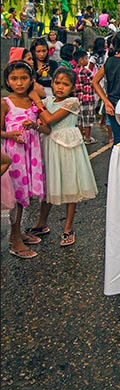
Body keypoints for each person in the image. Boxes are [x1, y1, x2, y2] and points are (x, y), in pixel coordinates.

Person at [27, 67, 98, 246]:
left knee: (70, 184)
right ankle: (41, 223)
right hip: (49, 145)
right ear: (52, 83)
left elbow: (50, 119)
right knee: (49, 185)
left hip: (68, 147)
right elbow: (45, 125)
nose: (60, 87)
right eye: (57, 83)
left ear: (72, 88)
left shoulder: (72, 102)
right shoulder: (48, 100)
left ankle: (68, 227)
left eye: (65, 84)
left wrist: (36, 101)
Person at [1, 61, 50, 258]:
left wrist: (35, 125)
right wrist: (10, 135)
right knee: (16, 196)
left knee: (24, 195)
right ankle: (15, 238)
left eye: (23, 78)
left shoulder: (33, 103)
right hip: (14, 155)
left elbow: (47, 128)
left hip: (31, 154)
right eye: (14, 79)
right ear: (7, 81)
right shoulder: (6, 103)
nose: (19, 83)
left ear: (31, 80)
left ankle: (18, 232)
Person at [92, 31, 120, 145]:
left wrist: (106, 101)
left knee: (117, 138)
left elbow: (95, 82)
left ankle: (115, 162)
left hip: (112, 104)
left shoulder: (109, 61)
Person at [74, 48, 97, 145]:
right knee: (88, 119)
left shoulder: (74, 71)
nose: (87, 60)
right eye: (86, 58)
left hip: (78, 98)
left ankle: (80, 137)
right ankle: (87, 138)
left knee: (79, 119)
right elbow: (94, 80)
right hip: (88, 97)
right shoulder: (86, 71)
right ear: (82, 60)